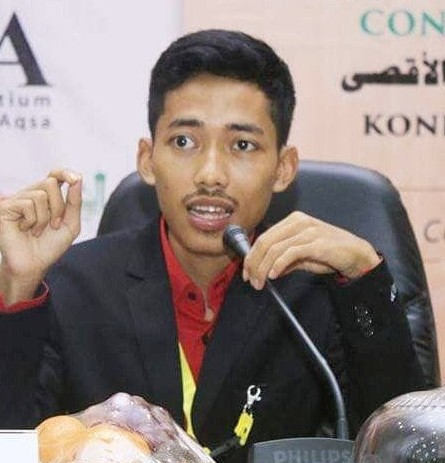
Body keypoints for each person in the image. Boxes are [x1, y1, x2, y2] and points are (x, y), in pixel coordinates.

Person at [0, 29, 424, 462]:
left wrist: (364, 277)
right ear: (147, 159)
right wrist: (17, 290)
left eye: (242, 145)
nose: (211, 174)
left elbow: (403, 448)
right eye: (184, 141)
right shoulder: (76, 285)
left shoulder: (314, 292)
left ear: (283, 167)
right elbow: (11, 442)